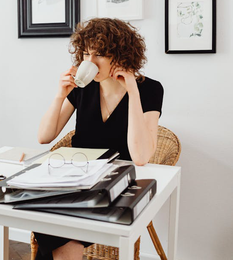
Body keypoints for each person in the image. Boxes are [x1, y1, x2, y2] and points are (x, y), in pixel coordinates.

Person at [35, 18, 164, 260]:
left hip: (115, 187)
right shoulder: (83, 87)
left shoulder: (149, 90)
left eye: (100, 55)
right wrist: (59, 95)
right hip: (74, 180)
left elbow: (140, 156)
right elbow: (44, 136)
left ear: (121, 54)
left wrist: (133, 90)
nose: (90, 62)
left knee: (57, 229)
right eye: (85, 54)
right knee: (44, 215)